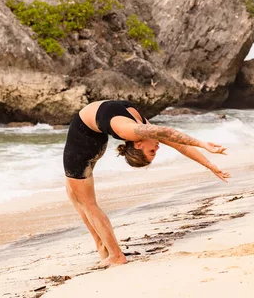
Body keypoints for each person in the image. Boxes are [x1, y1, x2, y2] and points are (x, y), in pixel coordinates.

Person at [63, 100, 230, 267]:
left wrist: (203, 147)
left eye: (151, 152)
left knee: (87, 203)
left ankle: (115, 255)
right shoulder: (141, 130)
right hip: (93, 137)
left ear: (138, 144)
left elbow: (168, 133)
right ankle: (102, 246)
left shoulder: (133, 131)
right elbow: (180, 145)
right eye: (154, 152)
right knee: (73, 194)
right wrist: (210, 165)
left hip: (81, 143)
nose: (157, 149)